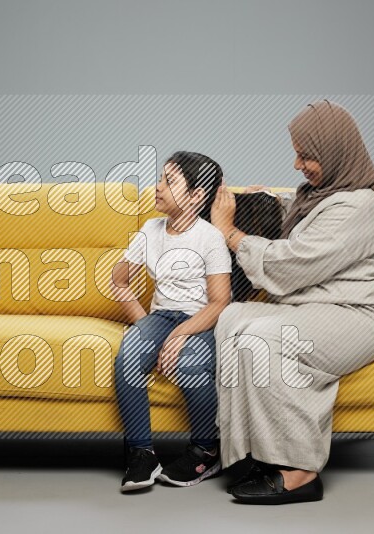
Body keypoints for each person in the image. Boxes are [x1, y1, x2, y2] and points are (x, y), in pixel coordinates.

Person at [210, 100, 374, 505]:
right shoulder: (326, 193)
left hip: (356, 316)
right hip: (319, 307)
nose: (297, 164)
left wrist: (229, 232)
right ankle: (254, 452)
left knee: (269, 337)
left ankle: (301, 471)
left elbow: (291, 266)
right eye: (297, 153)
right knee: (233, 318)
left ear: (336, 151)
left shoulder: (359, 205)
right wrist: (267, 200)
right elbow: (308, 223)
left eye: (307, 156)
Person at [111, 151, 232, 492]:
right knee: (129, 357)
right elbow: (118, 281)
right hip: (161, 316)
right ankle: (142, 453)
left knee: (192, 362)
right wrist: (145, 327)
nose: (158, 187)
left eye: (170, 181)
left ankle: (206, 451)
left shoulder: (209, 237)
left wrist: (179, 334)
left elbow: (221, 302)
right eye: (161, 178)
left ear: (196, 196)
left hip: (201, 318)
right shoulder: (151, 230)